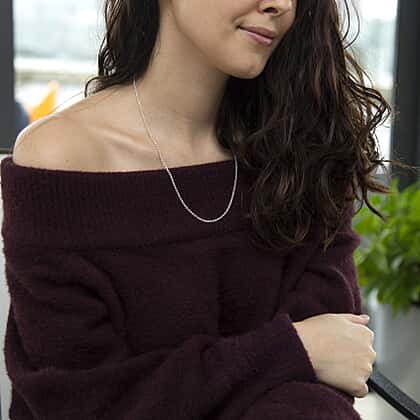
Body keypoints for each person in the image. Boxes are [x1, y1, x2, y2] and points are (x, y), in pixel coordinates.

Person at [2, 0, 410, 419]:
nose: (282, 5)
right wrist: (292, 350)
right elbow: (82, 401)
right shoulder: (61, 158)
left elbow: (330, 375)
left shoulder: (303, 148)